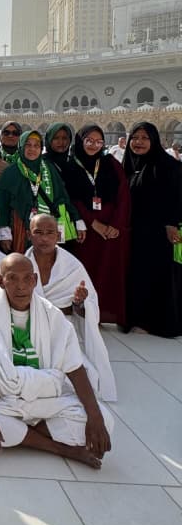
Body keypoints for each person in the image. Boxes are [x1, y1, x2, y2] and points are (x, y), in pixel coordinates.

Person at [0, 254, 114, 469]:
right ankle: (61, 448)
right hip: (7, 397)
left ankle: (24, 434)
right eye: (12, 278)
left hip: (47, 397)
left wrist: (95, 417)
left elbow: (75, 368)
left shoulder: (52, 315)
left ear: (34, 280)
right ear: (1, 282)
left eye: (27, 278)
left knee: (106, 420)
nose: (21, 286)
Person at [26, 213, 116, 400]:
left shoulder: (72, 266)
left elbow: (89, 309)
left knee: (84, 379)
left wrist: (80, 302)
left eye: (50, 233)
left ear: (58, 236)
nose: (44, 238)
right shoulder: (19, 265)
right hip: (27, 330)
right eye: (38, 232)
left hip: (62, 329)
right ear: (29, 235)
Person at [63, 124, 131, 325]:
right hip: (86, 229)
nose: (94, 145)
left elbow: (123, 195)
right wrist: (93, 223)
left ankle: (104, 313)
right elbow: (72, 199)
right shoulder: (71, 166)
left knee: (108, 271)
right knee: (86, 271)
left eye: (99, 141)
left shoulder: (111, 163)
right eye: (89, 141)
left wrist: (116, 225)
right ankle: (86, 314)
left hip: (111, 229)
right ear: (80, 141)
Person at [123, 122, 182, 337]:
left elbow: (178, 197)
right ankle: (136, 318)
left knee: (157, 276)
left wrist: (171, 223)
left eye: (144, 138)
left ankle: (154, 323)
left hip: (159, 233)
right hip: (135, 232)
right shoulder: (129, 164)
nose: (138, 142)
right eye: (135, 138)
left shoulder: (168, 166)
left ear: (154, 141)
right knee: (137, 275)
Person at [0, 130, 85, 254]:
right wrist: (4, 231)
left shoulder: (48, 169)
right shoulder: (11, 172)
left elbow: (62, 197)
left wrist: (77, 219)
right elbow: (2, 203)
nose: (32, 149)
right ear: (21, 147)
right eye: (28, 145)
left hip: (48, 226)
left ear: (41, 148)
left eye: (36, 146)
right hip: (21, 227)